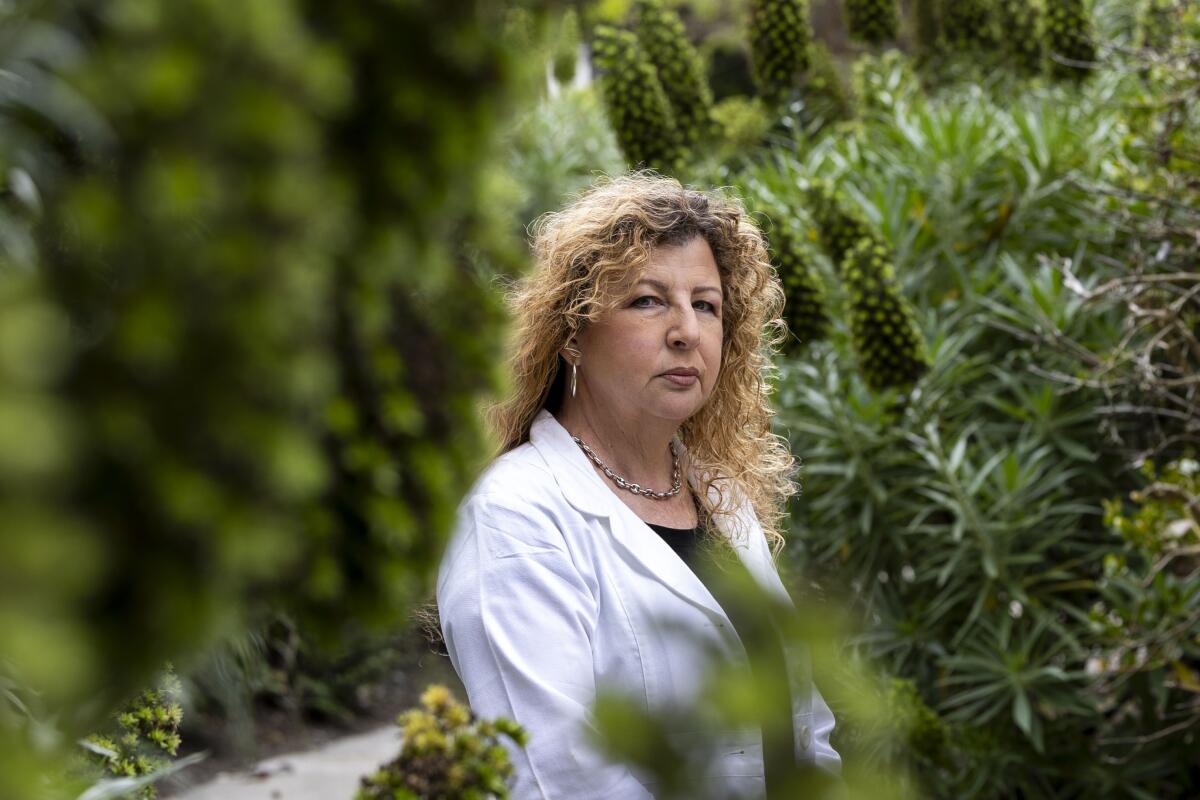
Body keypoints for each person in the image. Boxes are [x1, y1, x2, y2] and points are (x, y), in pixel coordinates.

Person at [436, 171, 840, 798]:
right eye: (648, 301)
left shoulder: (720, 499)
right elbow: (552, 777)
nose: (686, 331)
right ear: (572, 331)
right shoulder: (516, 516)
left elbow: (804, 728)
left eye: (705, 305)